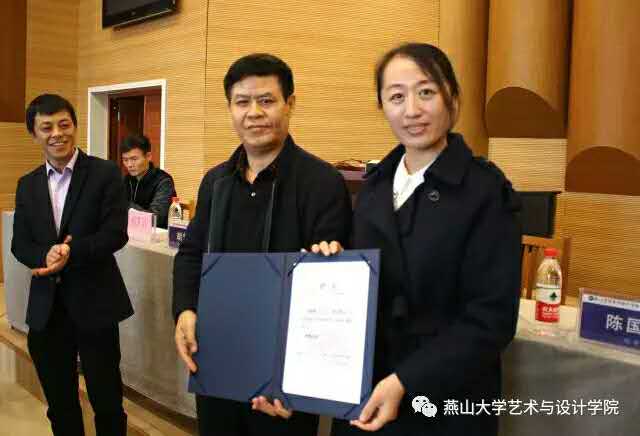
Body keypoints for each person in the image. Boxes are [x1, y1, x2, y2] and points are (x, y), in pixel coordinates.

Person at [311, 43, 522, 435]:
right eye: (396, 97)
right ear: (382, 106)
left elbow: (491, 319)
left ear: (452, 97)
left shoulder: (485, 191)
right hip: (367, 393)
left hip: (443, 402)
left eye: (426, 92)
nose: (412, 110)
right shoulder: (372, 188)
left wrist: (406, 381)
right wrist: (334, 266)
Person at [172, 53, 352, 436]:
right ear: (230, 109)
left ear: (290, 104)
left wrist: (303, 376)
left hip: (285, 374)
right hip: (217, 358)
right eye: (242, 102)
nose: (254, 113)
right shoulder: (215, 181)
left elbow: (330, 287)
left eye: (266, 100)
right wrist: (185, 310)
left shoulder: (323, 183)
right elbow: (190, 254)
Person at [12, 93, 133, 435]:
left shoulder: (105, 173)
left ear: (75, 127)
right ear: (34, 134)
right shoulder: (27, 185)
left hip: (95, 303)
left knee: (107, 401)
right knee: (60, 404)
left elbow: (115, 233)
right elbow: (20, 243)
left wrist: (70, 252)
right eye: (46, 127)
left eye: (64, 124)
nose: (57, 133)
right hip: (47, 310)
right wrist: (44, 255)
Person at [120, 134, 176, 228]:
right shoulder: (126, 179)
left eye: (134, 159)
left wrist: (123, 204)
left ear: (148, 156)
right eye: (125, 160)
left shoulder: (163, 181)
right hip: (130, 231)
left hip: (157, 233)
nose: (129, 165)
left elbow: (155, 219)